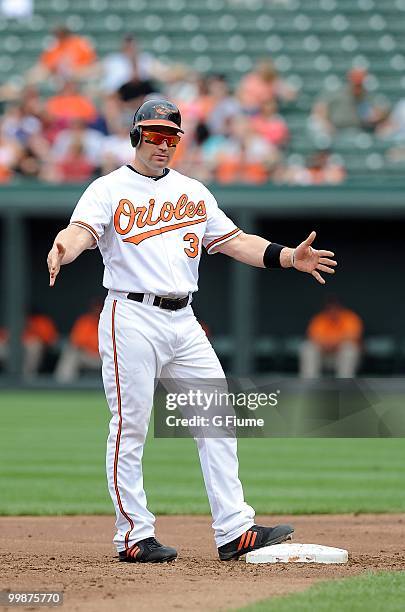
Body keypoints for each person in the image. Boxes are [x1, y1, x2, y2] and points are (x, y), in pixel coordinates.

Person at [47, 98, 336, 563]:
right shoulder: (108, 188)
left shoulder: (194, 192)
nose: (163, 144)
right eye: (155, 135)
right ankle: (133, 535)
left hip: (183, 318)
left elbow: (236, 241)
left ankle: (234, 530)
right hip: (131, 315)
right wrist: (65, 246)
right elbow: (81, 229)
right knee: (131, 426)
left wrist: (287, 255)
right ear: (136, 136)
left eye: (172, 137)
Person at [300, 298, 363, 378]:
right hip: (323, 356)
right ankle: (309, 382)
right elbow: (313, 337)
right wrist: (326, 343)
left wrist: (334, 342)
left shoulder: (349, 318)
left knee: (349, 348)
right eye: (330, 308)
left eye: (335, 308)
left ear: (340, 308)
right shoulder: (320, 319)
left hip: (341, 356)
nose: (332, 310)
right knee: (308, 347)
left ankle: (345, 383)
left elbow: (353, 336)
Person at [55, 302, 102, 382]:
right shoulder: (85, 322)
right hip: (88, 356)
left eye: (99, 308)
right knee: (71, 353)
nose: (97, 311)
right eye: (95, 308)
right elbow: (76, 343)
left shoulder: (110, 322)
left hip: (106, 357)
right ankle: (64, 385)